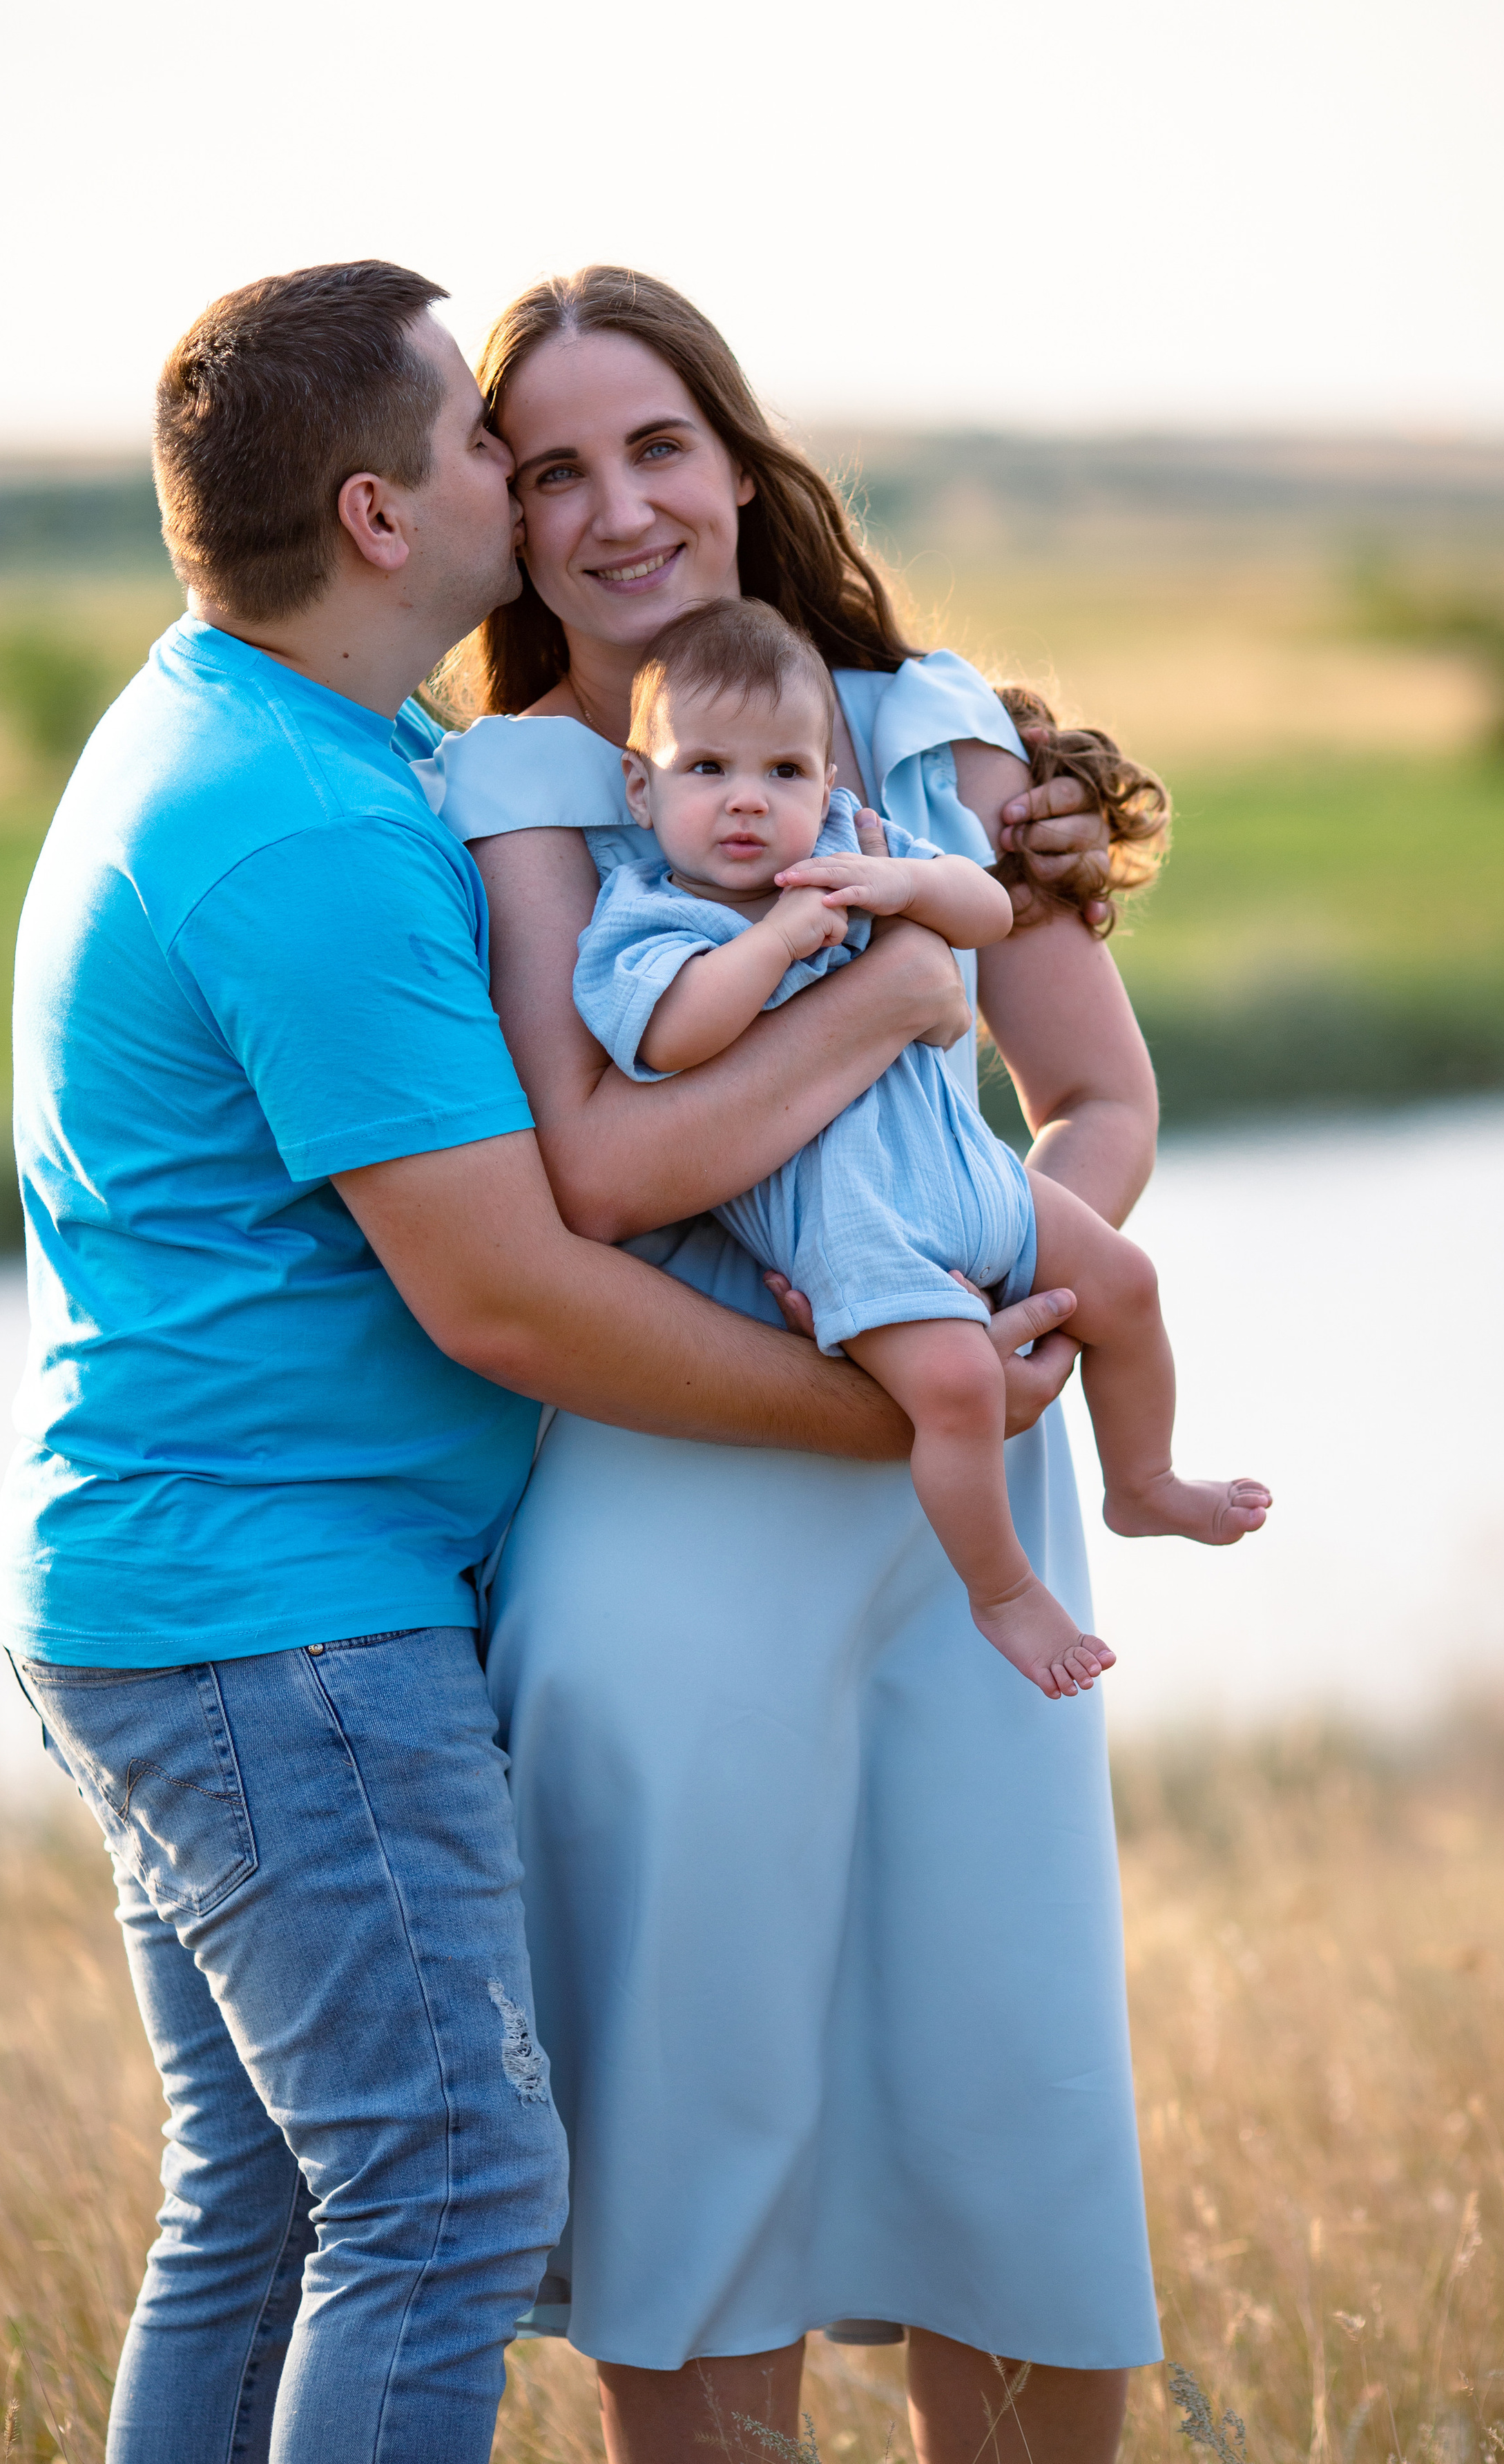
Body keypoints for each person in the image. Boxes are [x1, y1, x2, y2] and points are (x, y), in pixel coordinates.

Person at [0, 260, 1072, 2464]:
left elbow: (690, 783)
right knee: (445, 2199)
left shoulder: (304, 727)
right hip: (286, 1613)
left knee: (274, 2208)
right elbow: (506, 1288)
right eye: (495, 447)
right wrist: (892, 1401)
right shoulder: (298, 819)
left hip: (192, 1583)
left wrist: (1016, 809)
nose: (542, 488)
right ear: (389, 518)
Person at [422, 264, 1182, 2464]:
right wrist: (887, 999)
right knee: (700, 2142)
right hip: (670, 1515)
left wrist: (1035, 1305)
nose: (617, 509)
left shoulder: (930, 728)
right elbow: (600, 1167)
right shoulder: (523, 789)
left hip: (973, 1519)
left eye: (658, 444)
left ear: (742, 466)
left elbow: (1103, 1113)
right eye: (550, 467)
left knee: (1011, 2111)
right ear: (499, 515)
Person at [573, 596, 1270, 1697]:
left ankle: (1142, 1480)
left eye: (784, 773)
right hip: (845, 1222)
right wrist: (782, 941)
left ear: (824, 778)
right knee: (954, 1384)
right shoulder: (649, 918)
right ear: (641, 788)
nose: (749, 801)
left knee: (1124, 1281)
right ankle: (1003, 1591)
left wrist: (908, 884)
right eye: (706, 770)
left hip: (967, 1173)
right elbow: (672, 1034)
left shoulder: (855, 842)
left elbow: (988, 914)